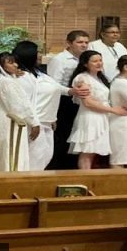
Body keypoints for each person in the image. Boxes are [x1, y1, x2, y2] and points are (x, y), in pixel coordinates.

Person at [15, 41, 87, 171]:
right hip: (34, 123)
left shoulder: (40, 73)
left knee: (45, 156)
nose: (39, 55)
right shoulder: (21, 77)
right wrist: (34, 122)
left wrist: (71, 91)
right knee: (34, 159)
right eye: (37, 53)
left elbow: (55, 87)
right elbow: (25, 103)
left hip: (47, 120)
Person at [68, 50, 127, 169]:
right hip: (90, 117)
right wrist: (113, 110)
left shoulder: (100, 78)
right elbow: (88, 102)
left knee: (95, 150)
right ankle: (85, 178)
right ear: (85, 64)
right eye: (94, 61)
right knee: (88, 151)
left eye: (100, 60)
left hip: (102, 116)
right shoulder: (82, 78)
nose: (99, 63)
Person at [0, 53, 38, 172]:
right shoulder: (5, 82)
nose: (16, 65)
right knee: (10, 155)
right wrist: (34, 122)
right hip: (10, 125)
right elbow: (18, 106)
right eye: (10, 62)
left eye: (15, 61)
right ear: (1, 66)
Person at [48, 30, 91, 170]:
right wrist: (70, 91)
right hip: (64, 101)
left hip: (79, 101)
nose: (83, 45)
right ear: (69, 43)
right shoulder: (60, 60)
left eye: (86, 42)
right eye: (80, 42)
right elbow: (53, 85)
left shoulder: (85, 59)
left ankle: (73, 167)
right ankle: (59, 169)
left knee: (77, 136)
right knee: (64, 136)